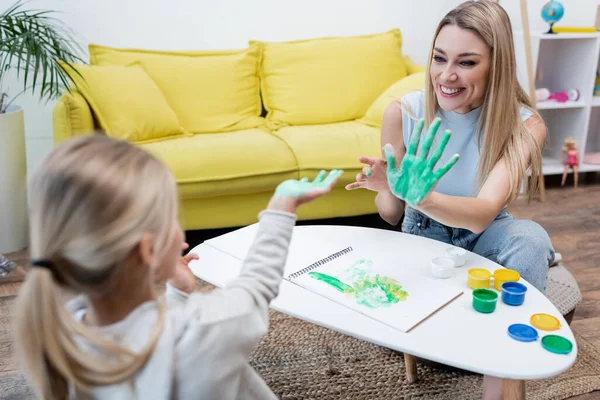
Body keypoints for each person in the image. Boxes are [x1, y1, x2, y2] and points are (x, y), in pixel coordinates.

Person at [13, 134, 341, 399]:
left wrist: (179, 295)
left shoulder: (60, 337)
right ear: (149, 250)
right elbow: (257, 286)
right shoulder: (204, 330)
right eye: (173, 218)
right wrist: (281, 207)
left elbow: (143, 336)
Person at [346, 1, 554, 398]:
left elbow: (481, 215)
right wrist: (389, 189)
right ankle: (457, 340)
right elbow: (391, 216)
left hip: (488, 232)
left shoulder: (525, 124)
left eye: (467, 62)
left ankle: (506, 376)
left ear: (498, 65)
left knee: (530, 239)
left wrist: (418, 194)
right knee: (429, 329)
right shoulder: (403, 112)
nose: (447, 75)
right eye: (439, 58)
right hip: (424, 236)